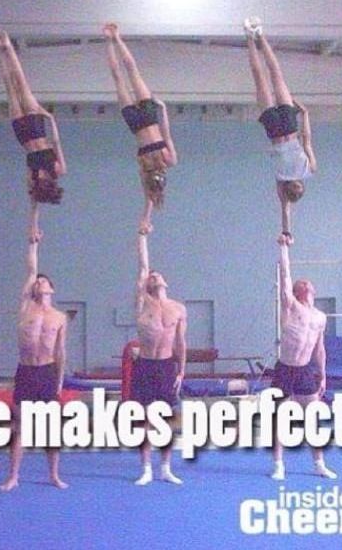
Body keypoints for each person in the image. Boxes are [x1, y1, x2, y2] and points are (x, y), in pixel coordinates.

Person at [0, 200, 68, 491]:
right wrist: (33, 242)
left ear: (51, 288)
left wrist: (60, 382)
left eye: (43, 281)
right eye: (36, 282)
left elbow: (61, 352)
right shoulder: (25, 308)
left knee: (51, 428)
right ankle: (14, 476)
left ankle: (53, 475)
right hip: (26, 372)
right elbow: (31, 268)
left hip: (48, 372)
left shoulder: (59, 317)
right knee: (20, 427)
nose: (38, 283)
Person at [271, 233, 336, 480]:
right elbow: (285, 276)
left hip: (306, 370)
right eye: (302, 283)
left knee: (312, 417)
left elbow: (320, 349)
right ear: (297, 291)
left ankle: (319, 463)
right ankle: (279, 465)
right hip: (285, 368)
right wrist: (283, 248)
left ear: (313, 290)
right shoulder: (291, 307)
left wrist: (323, 375)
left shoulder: (320, 317)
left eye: (309, 283)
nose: (306, 284)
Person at [243, 17, 317, 236]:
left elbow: (285, 210)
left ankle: (250, 37)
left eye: (295, 188)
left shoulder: (283, 179)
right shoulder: (308, 169)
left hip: (277, 129)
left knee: (262, 78)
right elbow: (307, 140)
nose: (298, 185)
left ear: (290, 189)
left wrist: (287, 232)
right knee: (274, 75)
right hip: (288, 127)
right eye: (300, 187)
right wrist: (305, 115)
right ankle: (258, 35)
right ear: (302, 186)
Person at [131, 198, 187, 485]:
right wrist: (143, 232)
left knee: (165, 416)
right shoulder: (143, 302)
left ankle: (165, 467)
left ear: (165, 282)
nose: (153, 277)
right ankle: (146, 469)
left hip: (166, 365)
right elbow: (143, 264)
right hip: (145, 364)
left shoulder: (178, 309)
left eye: (157, 275)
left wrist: (181, 371)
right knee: (143, 417)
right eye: (150, 277)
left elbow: (181, 343)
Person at [104, 23, 177, 208]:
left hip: (141, 122)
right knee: (128, 73)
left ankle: (111, 39)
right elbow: (167, 135)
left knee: (122, 76)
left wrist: (147, 212)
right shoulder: (165, 162)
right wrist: (163, 110)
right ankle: (115, 38)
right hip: (145, 120)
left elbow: (148, 197)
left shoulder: (151, 167)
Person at [0, 31, 66, 204]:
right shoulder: (56, 171)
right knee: (18, 85)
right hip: (32, 131)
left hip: (27, 133)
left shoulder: (35, 179)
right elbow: (56, 143)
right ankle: (6, 47)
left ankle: (1, 50)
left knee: (14, 87)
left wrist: (51, 119)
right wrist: (50, 118)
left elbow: (34, 205)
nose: (41, 184)